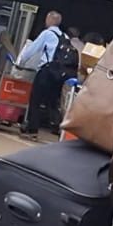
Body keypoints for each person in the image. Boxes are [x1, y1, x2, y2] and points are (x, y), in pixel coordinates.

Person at [18, 11, 76, 140]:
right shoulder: (65, 36)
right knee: (52, 101)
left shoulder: (47, 33)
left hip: (46, 71)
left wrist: (21, 62)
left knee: (35, 100)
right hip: (59, 74)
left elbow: (33, 49)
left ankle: (32, 130)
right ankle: (57, 128)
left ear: (49, 20)